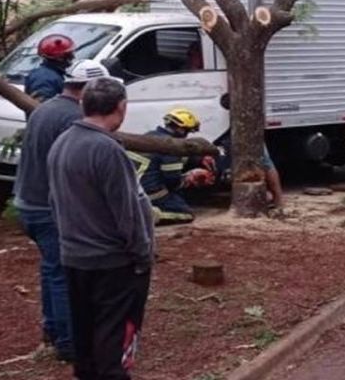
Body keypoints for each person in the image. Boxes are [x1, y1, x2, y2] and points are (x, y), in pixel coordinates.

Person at [48, 77, 154, 380]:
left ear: (83, 104)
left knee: (85, 331)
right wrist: (142, 255)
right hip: (112, 262)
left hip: (74, 257)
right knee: (115, 334)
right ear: (121, 107)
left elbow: (54, 203)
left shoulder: (62, 143)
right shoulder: (107, 149)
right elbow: (128, 212)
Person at [12, 59, 110, 362]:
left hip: (27, 203)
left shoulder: (44, 109)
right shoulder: (72, 118)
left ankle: (54, 331)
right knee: (66, 275)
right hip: (48, 207)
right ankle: (71, 344)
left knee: (51, 270)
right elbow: (76, 169)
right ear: (89, 90)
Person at [129, 108, 215, 225]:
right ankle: (151, 214)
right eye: (188, 131)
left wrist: (199, 159)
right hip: (151, 194)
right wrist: (191, 176)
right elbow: (173, 183)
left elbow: (172, 158)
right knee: (186, 213)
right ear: (181, 130)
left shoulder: (150, 137)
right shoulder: (171, 148)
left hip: (131, 190)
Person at [214, 93, 284, 210]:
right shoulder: (244, 106)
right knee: (263, 164)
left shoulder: (246, 106)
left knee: (265, 163)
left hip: (251, 136)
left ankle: (277, 199)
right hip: (245, 135)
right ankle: (273, 198)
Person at [26, 34, 76, 102]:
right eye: (70, 55)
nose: (73, 58)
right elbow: (41, 107)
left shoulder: (55, 74)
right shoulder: (44, 79)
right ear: (60, 58)